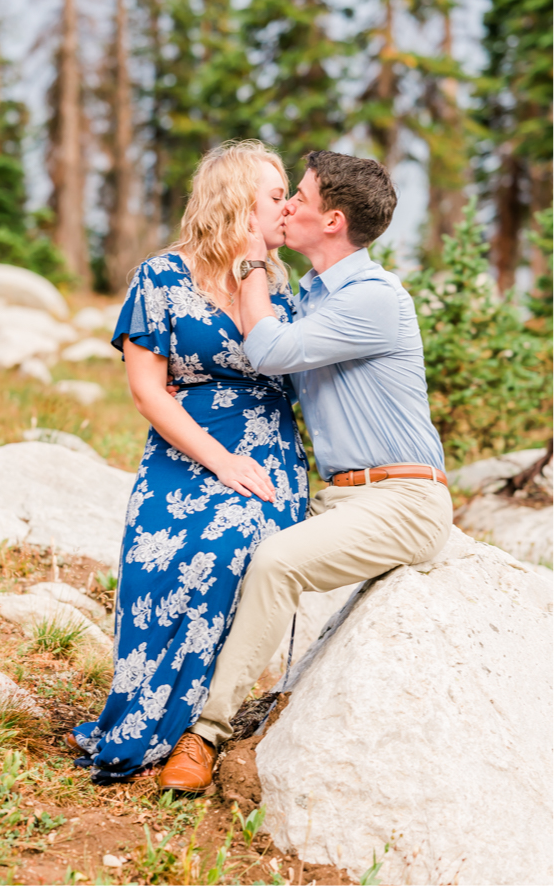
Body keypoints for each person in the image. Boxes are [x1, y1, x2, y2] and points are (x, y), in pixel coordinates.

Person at [157, 149, 452, 792]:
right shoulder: (314, 295)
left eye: (302, 198)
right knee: (223, 537)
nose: (286, 206)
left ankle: (203, 733)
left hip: (402, 499)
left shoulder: (373, 298)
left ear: (333, 221)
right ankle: (159, 704)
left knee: (277, 562)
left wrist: (254, 265)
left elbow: (268, 352)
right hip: (341, 496)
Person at [67, 140, 310, 782]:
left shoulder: (285, 290)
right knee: (154, 563)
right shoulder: (162, 277)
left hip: (268, 454)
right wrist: (219, 459)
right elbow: (148, 390)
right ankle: (142, 722)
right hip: (188, 447)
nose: (287, 208)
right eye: (276, 195)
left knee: (235, 540)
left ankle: (200, 730)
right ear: (236, 201)